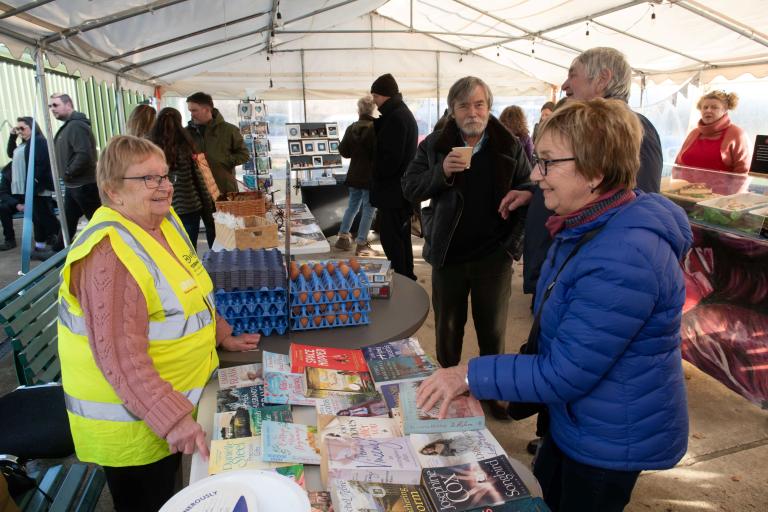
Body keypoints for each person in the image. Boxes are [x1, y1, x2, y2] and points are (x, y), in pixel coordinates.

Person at [417, 98, 692, 512]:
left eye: (546, 162)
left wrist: (469, 374)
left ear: (595, 173)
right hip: (579, 421)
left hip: (610, 437)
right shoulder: (588, 222)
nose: (534, 174)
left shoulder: (624, 255)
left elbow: (564, 371)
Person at [57, 135, 260, 511]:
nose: (164, 186)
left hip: (170, 401)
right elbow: (119, 357)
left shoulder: (162, 224)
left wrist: (222, 334)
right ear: (113, 192)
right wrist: (174, 420)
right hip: (132, 425)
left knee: (173, 490)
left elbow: (191, 292)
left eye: (165, 175)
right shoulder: (109, 253)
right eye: (148, 179)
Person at [402, 76, 532, 420]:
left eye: (479, 104)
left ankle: (493, 392)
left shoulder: (508, 145)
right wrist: (440, 172)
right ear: (452, 110)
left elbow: (530, 192)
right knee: (448, 328)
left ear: (489, 108)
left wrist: (511, 249)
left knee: (493, 329)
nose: (472, 112)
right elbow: (409, 188)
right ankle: (449, 385)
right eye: (464, 105)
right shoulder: (436, 144)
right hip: (449, 254)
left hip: (494, 255)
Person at [369, 73, 418, 280]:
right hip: (399, 191)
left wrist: (376, 172)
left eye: (376, 96)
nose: (374, 101)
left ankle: (402, 279)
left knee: (393, 240)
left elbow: (390, 160)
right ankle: (407, 277)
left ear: (385, 95)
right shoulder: (400, 114)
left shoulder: (396, 117)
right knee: (400, 238)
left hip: (393, 192)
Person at [150, 107, 214, 249]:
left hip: (160, 206)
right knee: (189, 249)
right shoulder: (186, 145)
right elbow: (199, 179)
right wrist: (208, 206)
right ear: (179, 122)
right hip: (189, 206)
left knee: (168, 249)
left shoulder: (150, 148)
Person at [2, 117, 61, 259]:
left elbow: (42, 164)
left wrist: (34, 184)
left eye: (23, 128)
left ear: (32, 127)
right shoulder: (25, 144)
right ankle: (40, 247)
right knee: (37, 218)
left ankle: (63, 242)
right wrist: (12, 135)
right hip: (28, 189)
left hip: (37, 188)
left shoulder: (39, 141)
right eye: (18, 128)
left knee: (46, 218)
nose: (20, 131)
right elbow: (11, 153)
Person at [674, 91, 751, 194]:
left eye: (714, 107)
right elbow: (678, 164)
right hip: (685, 195)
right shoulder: (694, 132)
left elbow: (743, 172)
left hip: (717, 200)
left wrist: (730, 200)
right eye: (705, 107)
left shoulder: (736, 134)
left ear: (725, 110)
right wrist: (674, 189)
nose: (708, 110)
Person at [49, 93, 101, 244]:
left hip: (83, 184)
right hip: (75, 183)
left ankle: (112, 247)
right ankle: (58, 249)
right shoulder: (70, 126)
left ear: (68, 105)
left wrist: (68, 172)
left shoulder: (76, 126)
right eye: (50, 106)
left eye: (55, 105)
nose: (52, 109)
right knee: (68, 219)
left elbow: (84, 154)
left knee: (98, 220)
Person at [335, 95, 379, 257]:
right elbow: (379, 155)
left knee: (352, 207)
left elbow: (344, 152)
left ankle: (342, 238)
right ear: (373, 109)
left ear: (359, 110)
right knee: (369, 210)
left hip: (353, 175)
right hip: (370, 177)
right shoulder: (376, 128)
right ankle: (361, 244)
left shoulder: (351, 128)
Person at [186, 91, 249, 195]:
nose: (191, 115)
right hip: (196, 193)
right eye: (190, 111)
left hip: (224, 189)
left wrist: (223, 160)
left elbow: (244, 155)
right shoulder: (185, 133)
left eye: (194, 110)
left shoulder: (230, 130)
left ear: (207, 109)